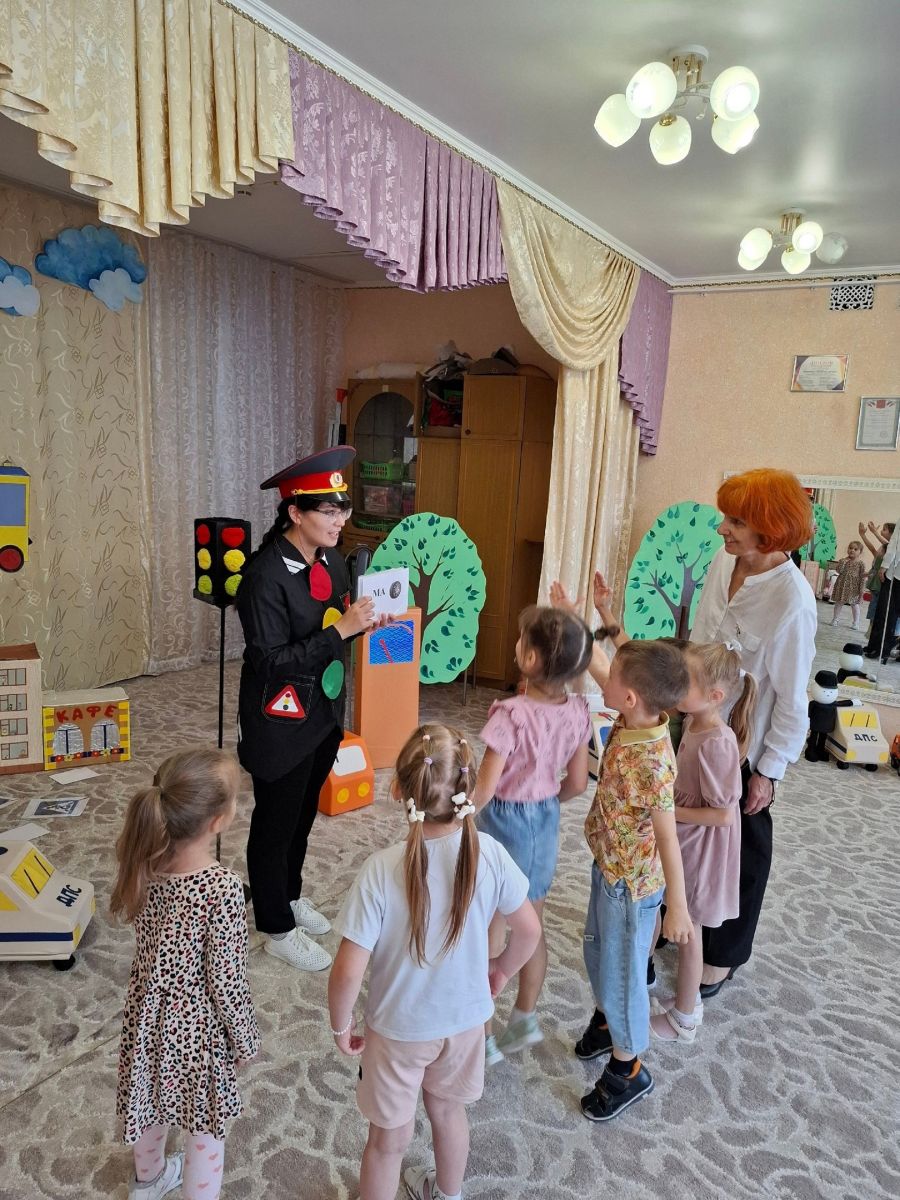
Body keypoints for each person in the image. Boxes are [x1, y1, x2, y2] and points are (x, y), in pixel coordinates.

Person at [327, 725, 541, 1200]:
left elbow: (347, 970)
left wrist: (341, 1026)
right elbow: (529, 932)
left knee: (388, 1141)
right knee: (448, 1113)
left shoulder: (380, 869)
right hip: (466, 1023)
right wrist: (502, 969)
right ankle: (448, 1194)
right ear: (470, 789)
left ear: (397, 789)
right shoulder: (490, 854)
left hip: (398, 1030)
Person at [236, 448, 382, 972]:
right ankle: (275, 925)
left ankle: (289, 895)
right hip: (279, 721)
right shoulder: (263, 577)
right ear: (295, 512)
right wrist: (340, 631)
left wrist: (362, 625)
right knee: (274, 823)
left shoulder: (331, 560)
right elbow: (271, 661)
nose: (340, 520)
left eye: (344, 509)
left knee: (301, 817)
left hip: (322, 714)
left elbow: (333, 626)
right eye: (329, 510)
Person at [690, 468, 816, 997]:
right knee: (689, 830)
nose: (722, 529)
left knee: (743, 852)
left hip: (743, 744)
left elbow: (792, 698)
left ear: (770, 530)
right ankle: (685, 920)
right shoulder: (725, 561)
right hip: (695, 721)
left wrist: (769, 770)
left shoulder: (793, 601)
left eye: (736, 522)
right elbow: (700, 636)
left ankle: (723, 956)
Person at [112, 748, 259, 1200]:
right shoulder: (223, 889)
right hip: (197, 1031)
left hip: (147, 1017)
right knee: (204, 1128)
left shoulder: (145, 859)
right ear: (218, 821)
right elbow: (226, 982)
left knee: (149, 1101)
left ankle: (149, 1181)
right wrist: (245, 1040)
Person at [575, 640, 694, 1123]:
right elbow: (606, 668)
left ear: (629, 698)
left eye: (613, 680)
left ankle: (628, 1069)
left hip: (631, 889)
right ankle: (607, 1023)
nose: (604, 680)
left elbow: (668, 840)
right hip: (608, 865)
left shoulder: (654, 763)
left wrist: (677, 906)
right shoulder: (633, 716)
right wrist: (579, 621)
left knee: (622, 978)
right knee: (597, 953)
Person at [469, 605, 593, 1065]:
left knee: (490, 926)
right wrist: (543, 801)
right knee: (531, 924)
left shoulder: (511, 714)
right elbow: (577, 783)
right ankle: (523, 1016)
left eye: (522, 639)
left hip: (505, 821)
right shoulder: (579, 711)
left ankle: (482, 1038)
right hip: (544, 821)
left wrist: (456, 818)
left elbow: (484, 789)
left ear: (531, 659)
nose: (517, 643)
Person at [649, 643, 756, 1044]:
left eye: (686, 681)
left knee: (688, 931)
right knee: (675, 917)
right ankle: (682, 996)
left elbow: (723, 815)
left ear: (715, 696)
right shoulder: (693, 723)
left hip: (700, 848)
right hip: (684, 839)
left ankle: (684, 1018)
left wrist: (668, 810)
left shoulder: (717, 742)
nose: (677, 685)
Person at [864, 521, 900, 663]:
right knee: (886, 613)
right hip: (895, 573)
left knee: (886, 613)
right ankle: (876, 647)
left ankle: (880, 650)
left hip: (895, 574)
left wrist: (884, 566)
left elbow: (894, 544)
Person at [858, 520, 894, 624]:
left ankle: (873, 627)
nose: (882, 531)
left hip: (880, 587)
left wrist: (874, 532)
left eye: (884, 529)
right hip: (875, 587)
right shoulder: (884, 550)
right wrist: (863, 535)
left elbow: (883, 545)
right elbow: (872, 548)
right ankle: (872, 627)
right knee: (873, 608)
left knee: (876, 609)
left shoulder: (891, 548)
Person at [829, 540, 867, 629]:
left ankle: (856, 622)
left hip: (854, 588)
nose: (852, 550)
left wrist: (861, 591)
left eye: (855, 549)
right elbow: (839, 571)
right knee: (839, 603)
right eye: (850, 548)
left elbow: (862, 577)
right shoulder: (843, 560)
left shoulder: (861, 564)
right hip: (842, 586)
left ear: (860, 552)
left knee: (854, 605)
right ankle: (835, 619)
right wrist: (844, 562)